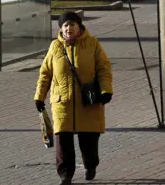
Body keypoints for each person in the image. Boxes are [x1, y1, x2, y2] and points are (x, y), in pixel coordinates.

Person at [34, 11, 113, 184]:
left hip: (88, 102)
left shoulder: (93, 44)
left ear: (80, 27)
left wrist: (106, 91)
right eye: (65, 25)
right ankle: (65, 174)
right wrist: (39, 96)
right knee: (63, 142)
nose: (69, 28)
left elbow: (104, 69)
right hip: (62, 102)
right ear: (61, 29)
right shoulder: (55, 46)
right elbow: (45, 73)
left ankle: (90, 165)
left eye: (72, 25)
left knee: (89, 141)